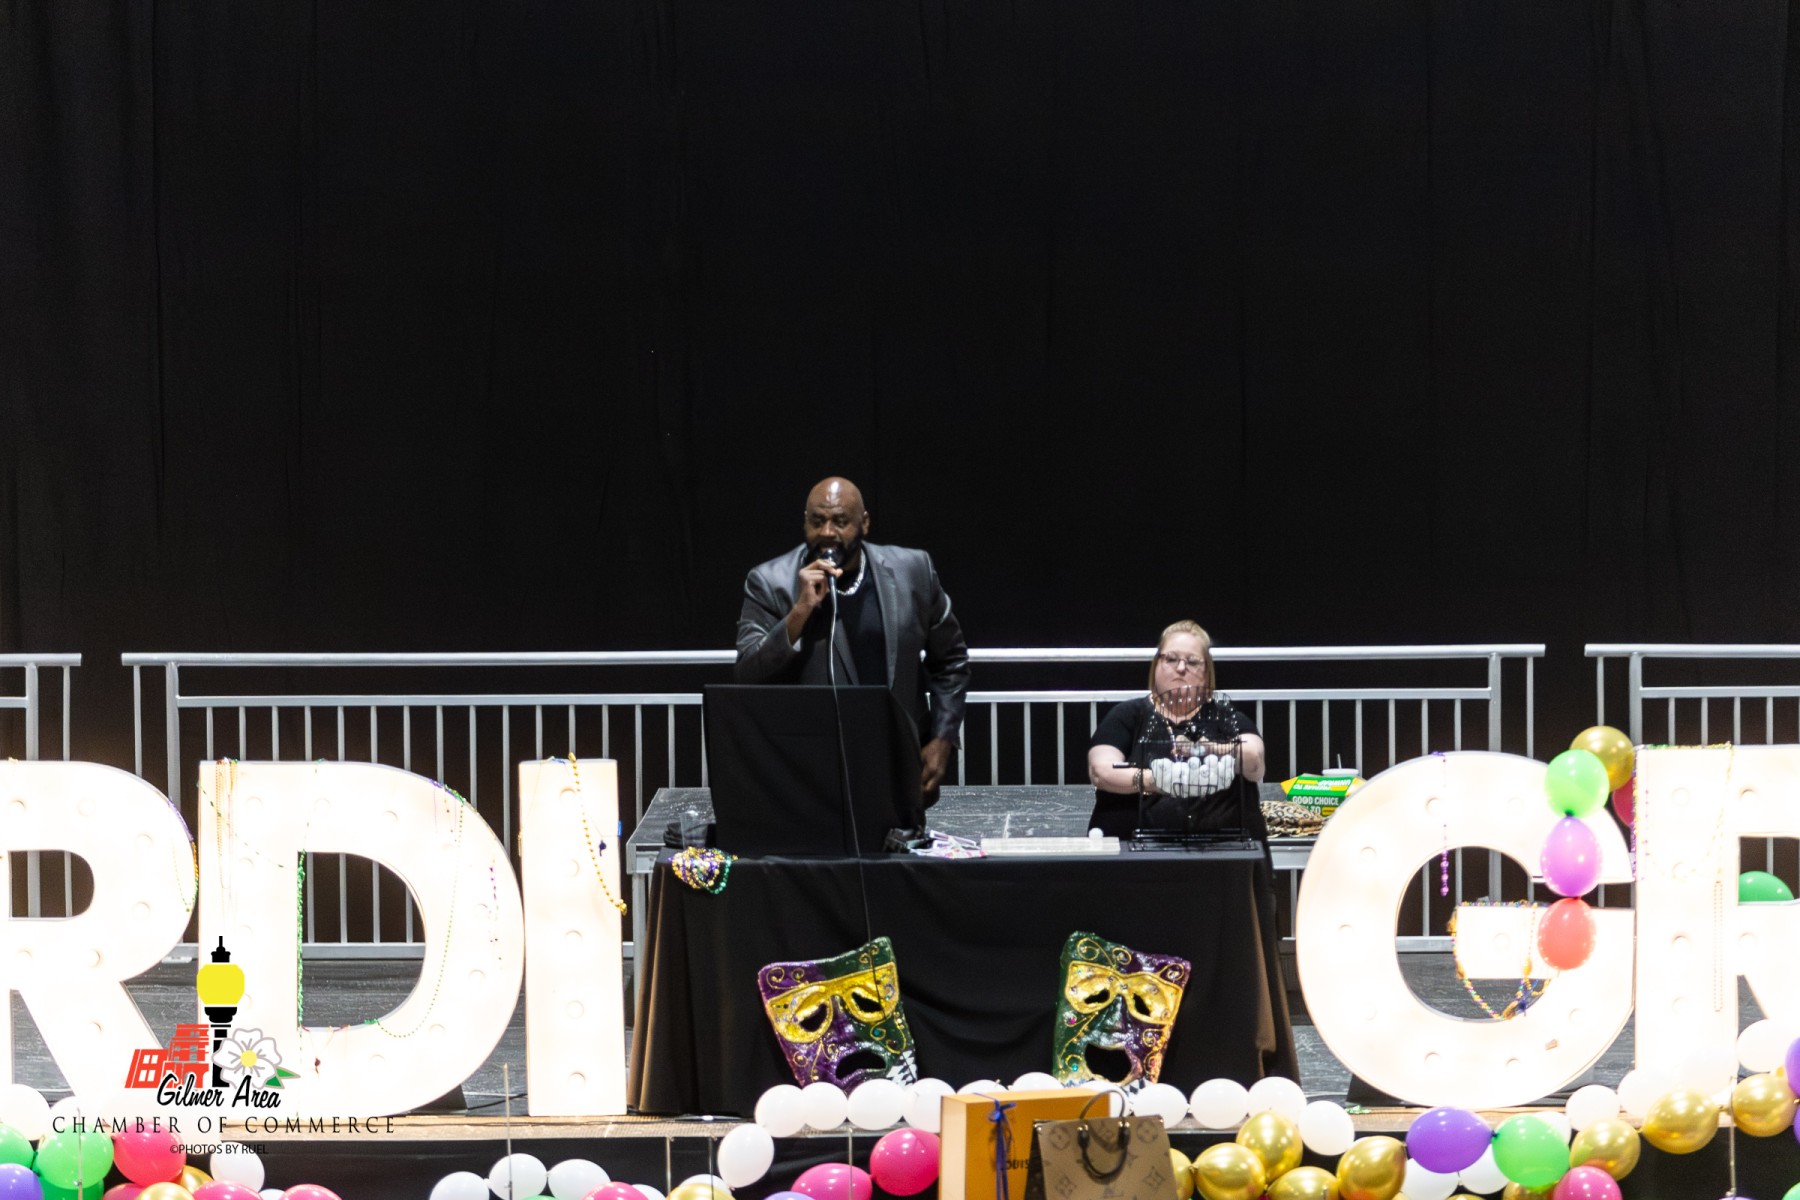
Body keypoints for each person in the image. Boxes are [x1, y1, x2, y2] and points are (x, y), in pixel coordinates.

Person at [735, 477, 970, 799]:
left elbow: (951, 661)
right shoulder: (769, 582)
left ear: (865, 523)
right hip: (809, 775)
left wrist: (943, 738)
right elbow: (748, 673)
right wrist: (799, 612)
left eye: (840, 521)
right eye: (817, 521)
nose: (827, 532)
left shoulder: (914, 570)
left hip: (895, 770)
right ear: (805, 522)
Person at [1085, 620, 1268, 839]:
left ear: (1206, 672)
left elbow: (1254, 761)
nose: (1181, 668)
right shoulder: (1126, 715)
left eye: (1192, 662)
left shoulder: (1227, 718)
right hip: (1133, 848)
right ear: (1156, 665)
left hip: (1221, 848)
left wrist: (1208, 748)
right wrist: (1159, 781)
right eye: (1171, 659)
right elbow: (1100, 771)